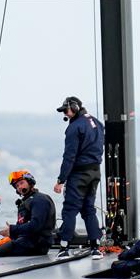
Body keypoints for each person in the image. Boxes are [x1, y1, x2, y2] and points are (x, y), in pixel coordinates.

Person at [53, 96, 105, 259]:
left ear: (74, 108)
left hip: (79, 174)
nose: (66, 115)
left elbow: (69, 156)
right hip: (95, 172)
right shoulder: (97, 123)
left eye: (66, 111)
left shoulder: (74, 128)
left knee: (69, 210)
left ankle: (64, 248)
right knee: (88, 209)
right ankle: (95, 247)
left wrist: (61, 180)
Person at [0, 170, 56, 258]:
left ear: (29, 182)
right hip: (27, 241)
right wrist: (11, 235)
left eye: (22, 183)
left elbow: (36, 225)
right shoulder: (26, 202)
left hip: (37, 244)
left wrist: (12, 229)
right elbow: (22, 227)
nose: (20, 187)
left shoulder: (40, 200)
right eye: (17, 186)